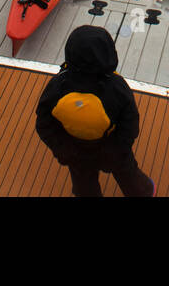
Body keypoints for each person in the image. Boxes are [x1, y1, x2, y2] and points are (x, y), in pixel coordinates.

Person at [35, 25, 156, 197]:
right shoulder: (117, 87)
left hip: (75, 147)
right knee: (128, 175)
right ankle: (143, 192)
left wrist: (63, 150)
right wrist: (115, 152)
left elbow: (43, 123)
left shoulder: (57, 86)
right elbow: (130, 124)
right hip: (110, 144)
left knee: (84, 185)